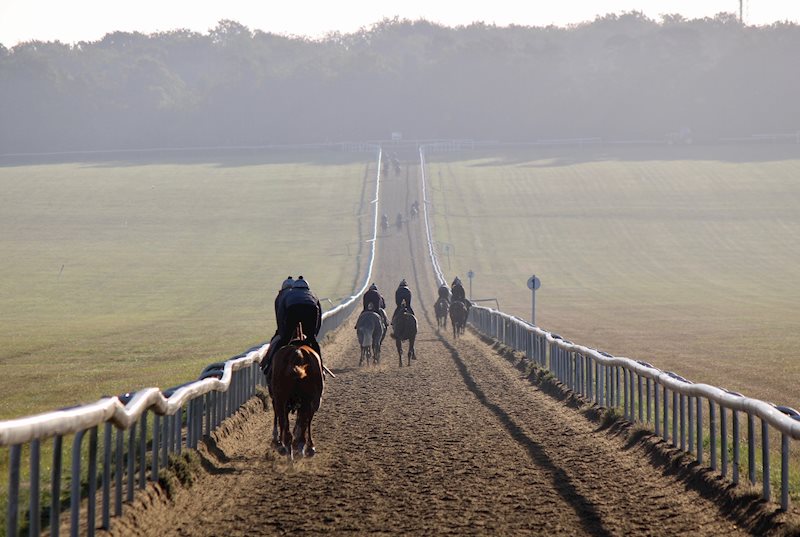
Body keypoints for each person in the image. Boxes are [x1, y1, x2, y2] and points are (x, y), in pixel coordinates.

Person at [263, 276, 323, 378]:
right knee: (313, 341)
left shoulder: (288, 294)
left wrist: (283, 333)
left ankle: (269, 366)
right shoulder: (312, 294)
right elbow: (319, 316)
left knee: (284, 340)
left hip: (293, 310)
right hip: (310, 310)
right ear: (307, 288)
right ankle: (320, 367)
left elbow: (281, 315)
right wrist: (313, 335)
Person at [260, 276, 294, 371]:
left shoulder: (280, 297)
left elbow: (279, 316)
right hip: (300, 328)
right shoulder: (297, 294)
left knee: (275, 344)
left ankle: (268, 364)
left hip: (285, 328)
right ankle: (320, 366)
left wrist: (280, 332)